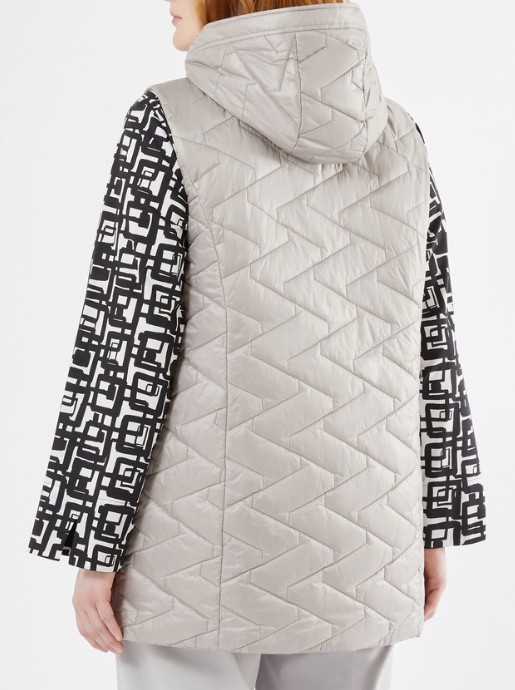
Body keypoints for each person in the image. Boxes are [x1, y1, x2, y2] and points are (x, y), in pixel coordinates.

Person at [27, 1, 487, 688]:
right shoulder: (400, 135)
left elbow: (125, 344)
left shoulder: (167, 120)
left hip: (192, 560)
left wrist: (92, 543)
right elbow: (432, 345)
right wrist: (431, 524)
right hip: (367, 545)